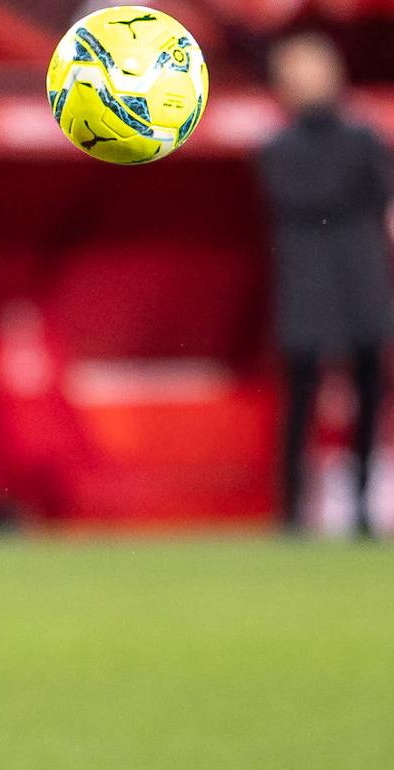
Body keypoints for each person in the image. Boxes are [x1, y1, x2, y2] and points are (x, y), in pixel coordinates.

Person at [259, 32, 392, 536]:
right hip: (307, 280)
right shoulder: (279, 148)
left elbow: (376, 192)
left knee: (369, 390)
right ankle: (292, 509)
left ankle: (361, 506)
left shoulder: (364, 138)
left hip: (361, 276)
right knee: (300, 396)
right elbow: (300, 196)